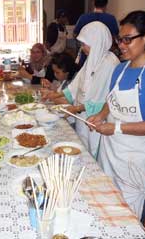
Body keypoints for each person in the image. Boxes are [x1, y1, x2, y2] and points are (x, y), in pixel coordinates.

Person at [87, 11, 145, 218]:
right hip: (111, 150)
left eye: (128, 39)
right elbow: (112, 99)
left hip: (135, 156)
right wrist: (101, 115)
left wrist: (115, 127)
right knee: (107, 200)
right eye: (120, 39)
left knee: (127, 211)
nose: (121, 45)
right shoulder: (121, 69)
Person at [43, 22, 119, 158]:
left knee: (93, 153)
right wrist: (54, 95)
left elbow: (103, 100)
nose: (82, 48)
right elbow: (75, 86)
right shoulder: (92, 59)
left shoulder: (110, 64)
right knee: (82, 151)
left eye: (84, 44)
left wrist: (76, 108)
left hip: (96, 119)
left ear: (96, 42)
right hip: (82, 116)